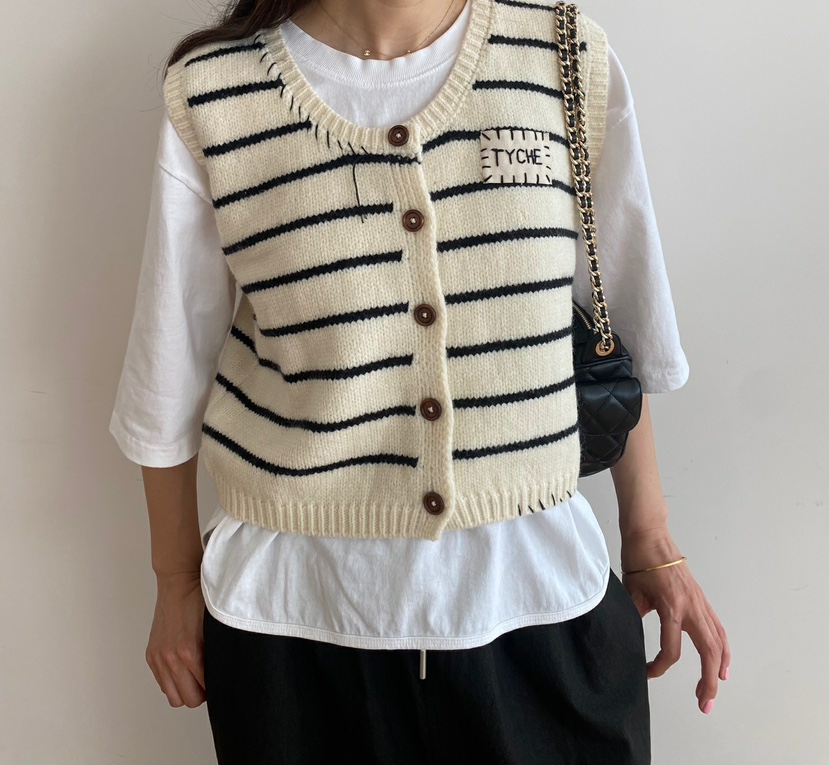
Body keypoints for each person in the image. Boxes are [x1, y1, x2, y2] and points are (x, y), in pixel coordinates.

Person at [110, 0, 731, 762]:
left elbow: (613, 335)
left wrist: (650, 539)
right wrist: (174, 581)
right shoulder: (216, 92)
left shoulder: (560, 57)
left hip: (539, 605)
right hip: (295, 619)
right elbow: (166, 375)